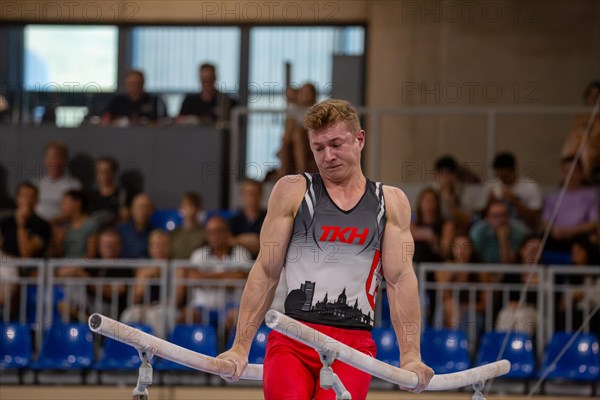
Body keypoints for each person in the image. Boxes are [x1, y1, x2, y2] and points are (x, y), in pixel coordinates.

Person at [217, 99, 434, 397]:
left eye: (336, 144)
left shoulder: (390, 203)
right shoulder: (293, 191)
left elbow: (400, 282)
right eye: (318, 148)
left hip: (352, 346)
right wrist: (240, 347)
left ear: (360, 139)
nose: (327, 156)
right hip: (292, 339)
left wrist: (411, 355)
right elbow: (266, 272)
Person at [541, 156, 599, 251]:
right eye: (566, 172)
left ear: (582, 173)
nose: (570, 175)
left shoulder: (591, 195)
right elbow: (545, 222)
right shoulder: (552, 197)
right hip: (556, 236)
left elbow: (594, 222)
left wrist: (571, 231)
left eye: (574, 172)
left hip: (580, 237)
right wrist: (554, 230)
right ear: (561, 174)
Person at [481, 152, 542, 229]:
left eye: (505, 176)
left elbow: (534, 219)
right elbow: (481, 217)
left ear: (513, 171)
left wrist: (515, 201)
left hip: (522, 229)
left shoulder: (530, 186)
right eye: (498, 176)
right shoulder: (491, 186)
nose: (502, 179)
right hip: (495, 228)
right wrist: (490, 203)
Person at [276, 83, 319, 178]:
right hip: (292, 141)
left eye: (309, 92)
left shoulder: (317, 109)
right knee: (287, 139)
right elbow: (288, 130)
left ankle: (301, 170)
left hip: (310, 140)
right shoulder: (293, 108)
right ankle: (282, 172)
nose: (306, 95)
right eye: (304, 92)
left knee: (298, 134)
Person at [33, 141, 82, 223]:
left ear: (65, 160)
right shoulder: (35, 184)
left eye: (57, 158)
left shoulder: (74, 185)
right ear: (45, 160)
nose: (53, 162)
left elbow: (75, 213)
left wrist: (52, 221)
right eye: (50, 157)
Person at [470, 199, 530, 264]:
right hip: (483, 270)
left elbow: (509, 264)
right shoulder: (478, 231)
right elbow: (471, 258)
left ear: (508, 216)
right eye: (495, 216)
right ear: (488, 218)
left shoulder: (520, 231)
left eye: (503, 215)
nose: (500, 220)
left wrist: (503, 239)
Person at [561, 81, 600, 183]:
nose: (594, 102)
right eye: (592, 97)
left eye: (597, 98)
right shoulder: (581, 118)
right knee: (578, 139)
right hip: (587, 158)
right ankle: (571, 174)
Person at [0, 182, 51, 259]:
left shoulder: (43, 225)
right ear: (17, 198)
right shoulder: (6, 221)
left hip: (30, 267)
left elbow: (26, 254)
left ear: (37, 200)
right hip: (6, 263)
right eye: (24, 196)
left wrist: (21, 224)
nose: (27, 200)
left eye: (31, 196)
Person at [101, 70, 167, 126]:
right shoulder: (117, 101)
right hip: (120, 136)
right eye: (130, 84)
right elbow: (105, 120)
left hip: (149, 136)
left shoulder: (154, 101)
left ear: (143, 84)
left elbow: (164, 122)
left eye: (137, 83)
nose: (133, 87)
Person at [410, 187, 453, 262]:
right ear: (420, 203)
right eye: (426, 201)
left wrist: (434, 239)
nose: (429, 205)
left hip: (436, 264)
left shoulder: (445, 225)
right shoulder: (413, 225)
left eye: (432, 201)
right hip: (415, 264)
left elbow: (446, 252)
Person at [229, 179, 267, 258]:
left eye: (254, 193)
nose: (251, 197)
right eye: (247, 193)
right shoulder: (234, 221)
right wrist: (247, 240)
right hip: (239, 263)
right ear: (242, 195)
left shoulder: (269, 218)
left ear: (261, 195)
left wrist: (238, 240)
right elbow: (227, 241)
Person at [88, 156, 128, 227]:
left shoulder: (122, 194)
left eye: (107, 171)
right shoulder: (90, 196)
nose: (104, 175)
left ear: (114, 172)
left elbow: (124, 218)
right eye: (100, 171)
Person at [117, 193, 155, 259]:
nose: (143, 211)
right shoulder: (119, 231)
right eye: (139, 207)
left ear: (151, 211)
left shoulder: (155, 233)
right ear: (131, 210)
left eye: (146, 207)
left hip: (146, 267)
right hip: (123, 267)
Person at [170, 192, 205, 259]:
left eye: (192, 205)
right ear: (181, 208)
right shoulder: (174, 233)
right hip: (176, 268)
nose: (189, 209)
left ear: (199, 208)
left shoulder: (205, 232)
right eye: (185, 205)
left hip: (196, 268)